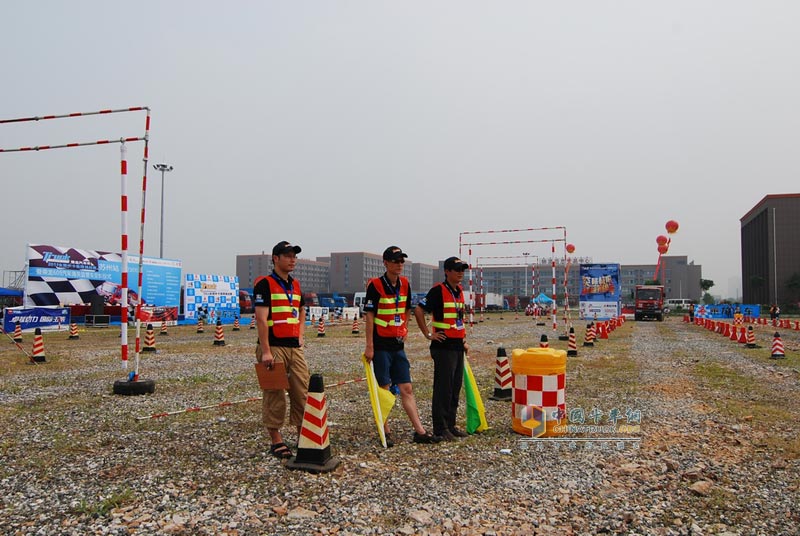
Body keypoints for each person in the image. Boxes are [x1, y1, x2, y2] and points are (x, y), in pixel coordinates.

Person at [363, 246, 438, 446]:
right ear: (385, 263)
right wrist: (369, 345)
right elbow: (369, 316)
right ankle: (385, 430)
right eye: (395, 261)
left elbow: (406, 309)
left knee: (407, 388)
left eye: (401, 261)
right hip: (381, 345)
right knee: (384, 389)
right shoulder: (375, 285)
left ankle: (420, 431)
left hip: (397, 346)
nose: (399, 264)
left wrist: (404, 328)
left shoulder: (405, 284)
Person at [253, 241, 310, 460]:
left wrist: (301, 335)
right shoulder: (265, 284)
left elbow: (301, 310)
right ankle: (276, 440)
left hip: (294, 347)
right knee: (274, 393)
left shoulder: (295, 285)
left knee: (301, 391)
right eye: (287, 256)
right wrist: (266, 351)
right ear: (275, 258)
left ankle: (303, 435)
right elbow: (261, 319)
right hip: (273, 346)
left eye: (294, 256)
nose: (292, 259)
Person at [414, 256, 471, 441]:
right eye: (457, 269)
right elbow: (418, 310)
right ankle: (440, 428)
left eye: (462, 269)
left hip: (457, 346)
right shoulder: (438, 290)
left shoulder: (459, 291)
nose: (460, 272)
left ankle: (451, 425)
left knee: (455, 388)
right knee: (443, 389)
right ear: (447, 271)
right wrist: (428, 334)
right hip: (443, 347)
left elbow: (458, 319)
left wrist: (463, 341)